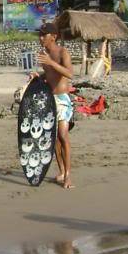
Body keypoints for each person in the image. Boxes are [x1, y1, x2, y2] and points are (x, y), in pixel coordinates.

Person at [35, 22, 74, 189]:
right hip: (50, 100)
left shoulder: (62, 52)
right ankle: (62, 171)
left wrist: (51, 63)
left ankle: (69, 176)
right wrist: (38, 76)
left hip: (63, 99)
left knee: (63, 135)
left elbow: (69, 73)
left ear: (54, 37)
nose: (41, 38)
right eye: (40, 35)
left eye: (44, 35)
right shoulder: (43, 55)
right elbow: (49, 76)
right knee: (54, 139)